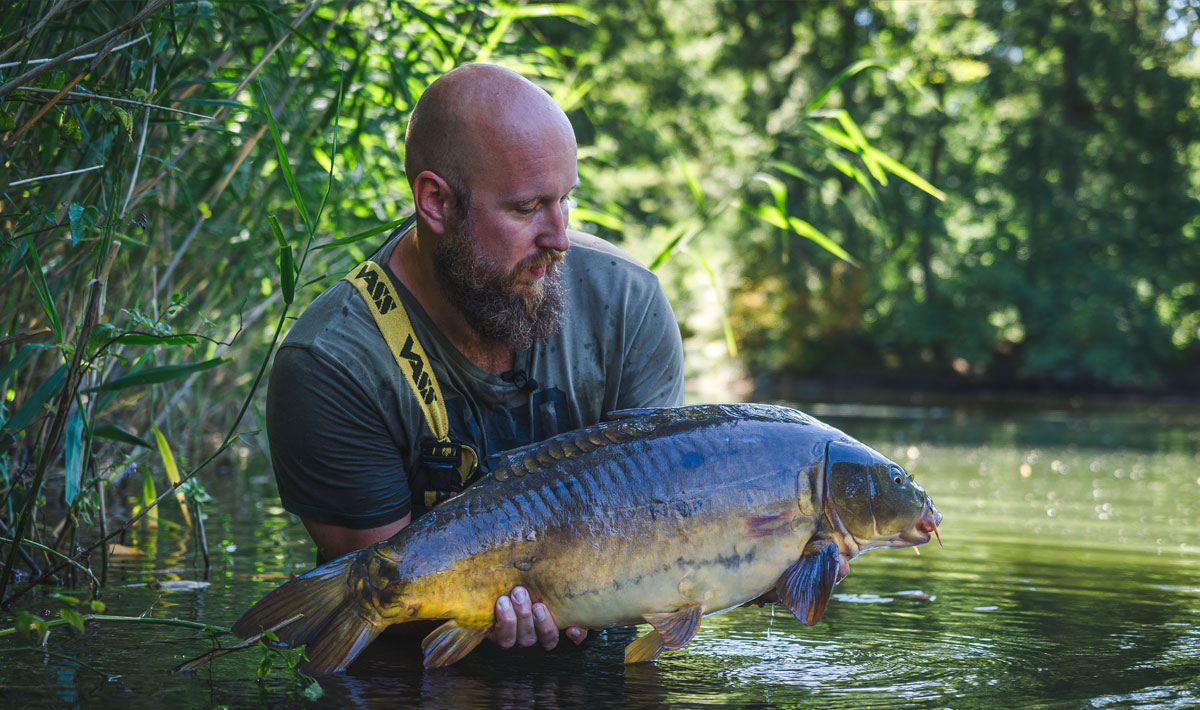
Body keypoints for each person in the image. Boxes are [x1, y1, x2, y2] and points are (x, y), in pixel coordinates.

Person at [264, 64, 685, 656]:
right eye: (527, 207)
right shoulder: (331, 363)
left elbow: (667, 524)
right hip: (414, 668)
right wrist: (499, 600)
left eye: (565, 200)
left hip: (601, 648)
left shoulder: (628, 304)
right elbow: (388, 602)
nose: (559, 238)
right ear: (436, 201)